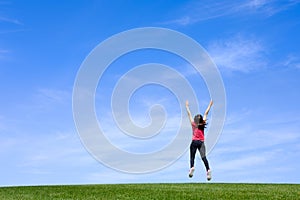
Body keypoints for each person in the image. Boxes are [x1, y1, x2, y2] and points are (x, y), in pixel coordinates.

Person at [185, 99, 213, 181]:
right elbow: (206, 113)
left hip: (194, 142)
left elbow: (189, 114)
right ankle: (208, 170)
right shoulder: (202, 124)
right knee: (204, 157)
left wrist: (187, 107)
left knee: (192, 156)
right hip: (201, 143)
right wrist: (210, 105)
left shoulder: (193, 124)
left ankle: (192, 167)